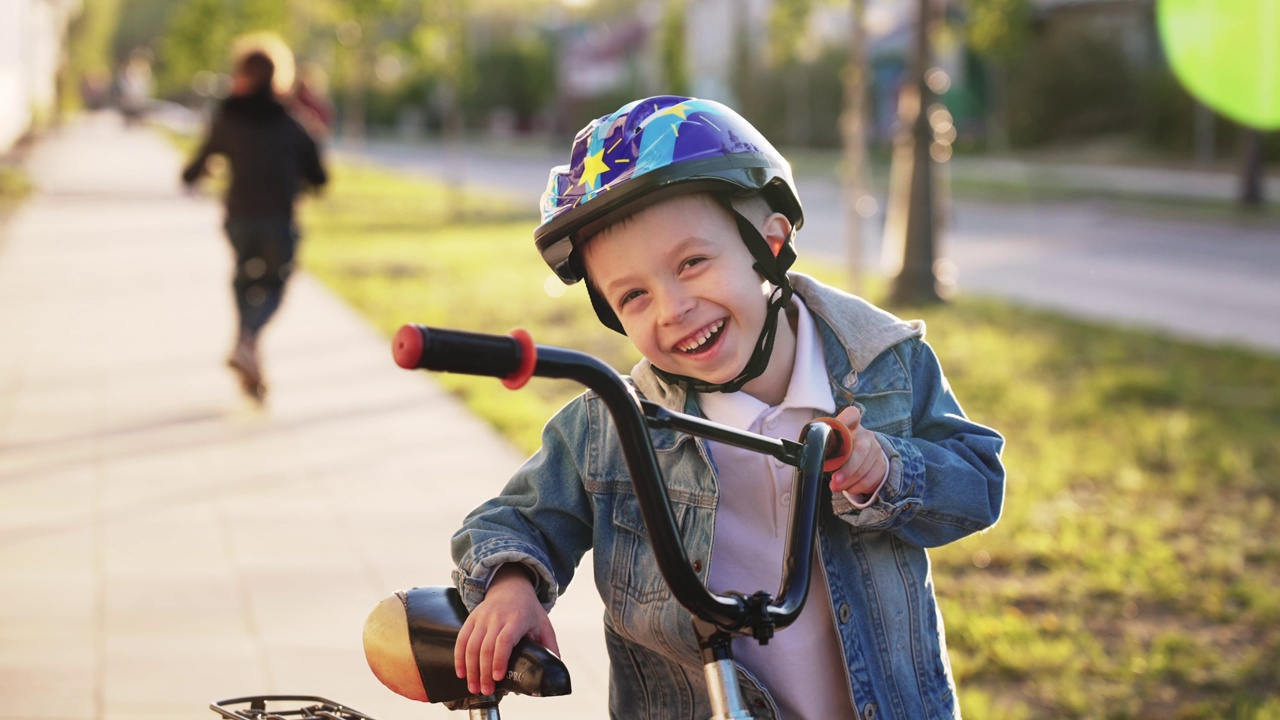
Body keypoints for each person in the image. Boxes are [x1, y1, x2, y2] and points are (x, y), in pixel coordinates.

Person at [450, 96, 1005, 719]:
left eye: (692, 262)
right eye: (634, 295)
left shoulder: (883, 369)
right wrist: (510, 584)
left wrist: (884, 471)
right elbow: (515, 519)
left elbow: (978, 486)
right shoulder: (616, 424)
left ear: (769, 245)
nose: (673, 308)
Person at [182, 47, 327, 401]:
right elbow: (319, 176)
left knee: (245, 278)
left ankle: (248, 355)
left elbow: (196, 166)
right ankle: (248, 340)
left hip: (240, 219)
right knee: (275, 283)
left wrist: (198, 174)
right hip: (279, 218)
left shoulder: (228, 116)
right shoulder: (292, 119)